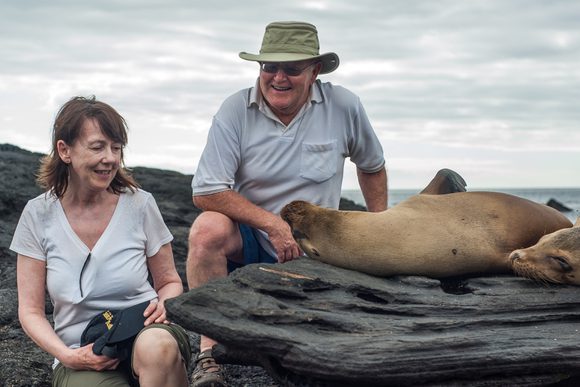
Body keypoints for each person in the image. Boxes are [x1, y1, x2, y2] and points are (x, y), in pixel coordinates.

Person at [187, 21, 388, 387]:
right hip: (251, 241)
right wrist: (273, 225)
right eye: (269, 67)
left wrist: (382, 229)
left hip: (319, 247)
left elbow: (372, 167)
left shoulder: (343, 105)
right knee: (205, 231)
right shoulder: (235, 109)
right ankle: (207, 354)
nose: (278, 77)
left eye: (292, 69)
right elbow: (206, 190)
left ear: (314, 72)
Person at [10, 96, 191, 387]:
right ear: (64, 150)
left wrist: (165, 304)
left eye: (116, 148)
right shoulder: (38, 214)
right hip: (78, 350)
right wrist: (68, 357)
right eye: (98, 147)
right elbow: (30, 311)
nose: (110, 158)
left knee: (159, 348)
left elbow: (169, 281)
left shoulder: (140, 205)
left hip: (145, 333)